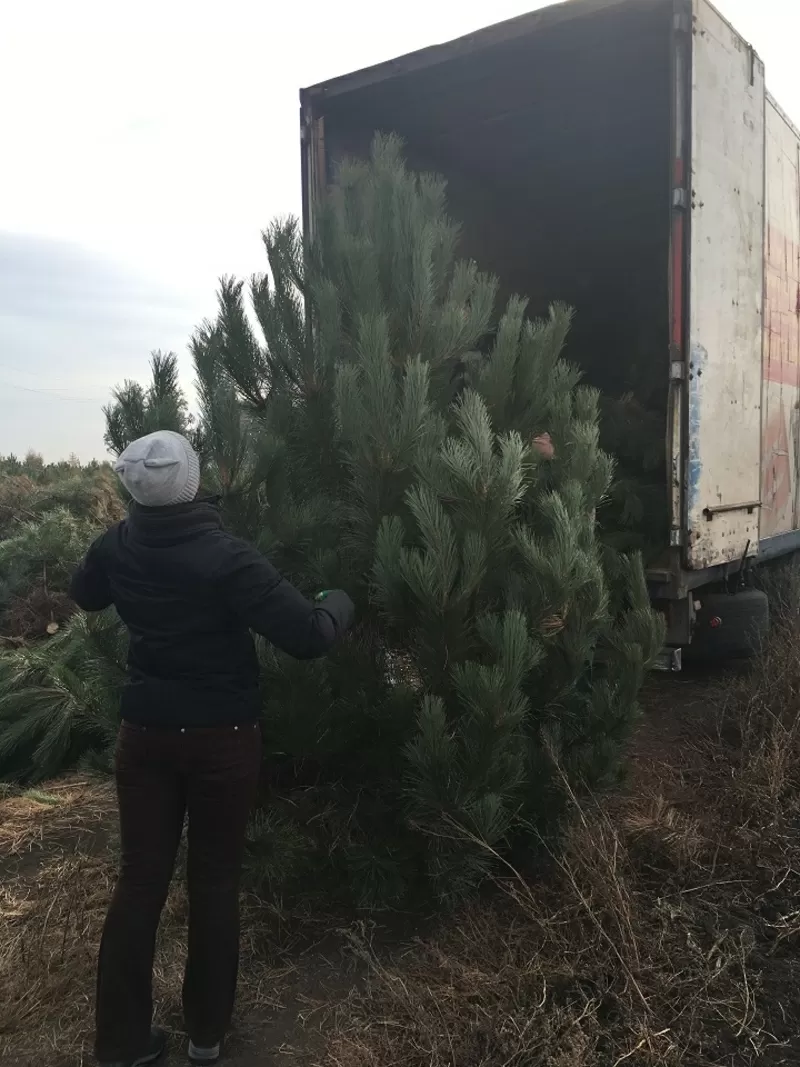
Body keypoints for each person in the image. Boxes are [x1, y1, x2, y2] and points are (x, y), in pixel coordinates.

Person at [69, 430, 354, 1067]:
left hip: (142, 738)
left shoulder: (117, 544)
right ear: (193, 485)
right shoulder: (225, 556)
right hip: (221, 741)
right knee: (215, 882)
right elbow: (309, 637)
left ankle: (119, 1043)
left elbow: (84, 594)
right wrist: (341, 599)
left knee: (139, 881)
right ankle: (206, 1036)